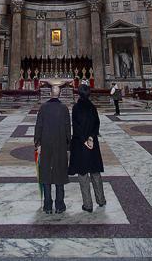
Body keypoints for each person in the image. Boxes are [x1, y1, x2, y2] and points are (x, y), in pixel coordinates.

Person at [68, 83, 106, 212]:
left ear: (79, 93)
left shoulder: (76, 108)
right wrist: (90, 137)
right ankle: (101, 200)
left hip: (80, 145)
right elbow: (97, 124)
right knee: (95, 172)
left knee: (83, 175)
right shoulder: (92, 107)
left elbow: (76, 127)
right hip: (92, 144)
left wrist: (84, 139)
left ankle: (88, 205)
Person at [34, 84, 71, 214]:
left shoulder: (43, 108)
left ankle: (48, 205)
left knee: (46, 173)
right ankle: (60, 205)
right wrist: (68, 146)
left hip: (46, 145)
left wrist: (37, 144)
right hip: (60, 144)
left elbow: (38, 126)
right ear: (59, 94)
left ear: (50, 94)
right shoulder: (64, 108)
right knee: (60, 172)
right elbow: (68, 129)